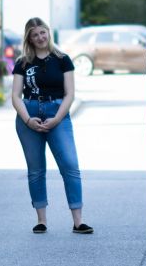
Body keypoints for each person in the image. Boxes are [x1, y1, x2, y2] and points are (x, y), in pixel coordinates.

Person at [9, 17, 90, 235]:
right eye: (35, 34)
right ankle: (41, 220)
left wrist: (56, 119)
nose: (40, 37)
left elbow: (70, 94)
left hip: (57, 114)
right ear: (29, 38)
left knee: (70, 165)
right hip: (29, 115)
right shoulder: (22, 63)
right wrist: (28, 120)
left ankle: (78, 221)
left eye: (42, 32)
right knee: (36, 170)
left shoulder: (63, 59)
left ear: (48, 32)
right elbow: (15, 96)